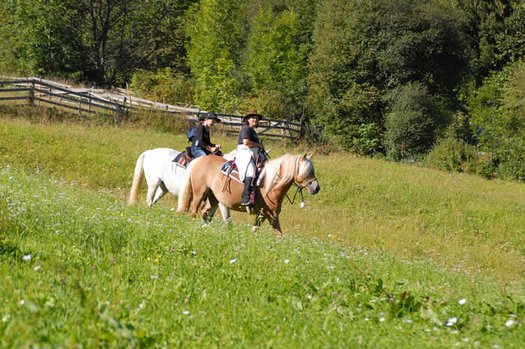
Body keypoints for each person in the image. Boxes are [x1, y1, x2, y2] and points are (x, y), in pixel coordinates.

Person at [236, 110, 265, 206]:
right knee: (250, 172)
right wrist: (259, 144)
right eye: (253, 118)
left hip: (253, 154)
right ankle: (245, 198)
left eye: (256, 119)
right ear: (247, 119)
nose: (255, 120)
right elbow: (246, 142)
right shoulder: (246, 129)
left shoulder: (253, 131)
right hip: (245, 154)